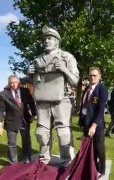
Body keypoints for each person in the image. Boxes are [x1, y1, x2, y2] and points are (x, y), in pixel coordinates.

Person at [28, 26, 79, 166]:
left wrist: (64, 70)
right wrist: (30, 74)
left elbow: (75, 81)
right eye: (44, 39)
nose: (46, 41)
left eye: (50, 38)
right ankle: (44, 160)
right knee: (41, 133)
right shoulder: (37, 60)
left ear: (57, 41)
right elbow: (33, 83)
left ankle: (66, 161)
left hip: (62, 100)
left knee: (63, 133)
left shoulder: (67, 57)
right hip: (42, 101)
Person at [0, 75, 37, 164]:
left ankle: (27, 159)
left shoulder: (25, 91)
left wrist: (34, 114)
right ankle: (13, 163)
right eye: (12, 83)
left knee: (26, 141)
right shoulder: (3, 94)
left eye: (16, 82)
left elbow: (31, 103)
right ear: (9, 84)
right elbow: (0, 109)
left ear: (19, 83)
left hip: (24, 121)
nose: (14, 84)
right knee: (11, 144)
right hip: (11, 122)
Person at [78, 66, 108, 178]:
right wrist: (82, 122)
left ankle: (102, 170)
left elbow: (101, 110)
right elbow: (83, 107)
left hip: (97, 124)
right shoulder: (87, 89)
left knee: (99, 148)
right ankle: (93, 167)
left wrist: (94, 125)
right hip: (86, 122)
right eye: (90, 75)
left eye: (95, 75)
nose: (92, 77)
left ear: (99, 76)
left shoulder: (102, 89)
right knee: (90, 148)